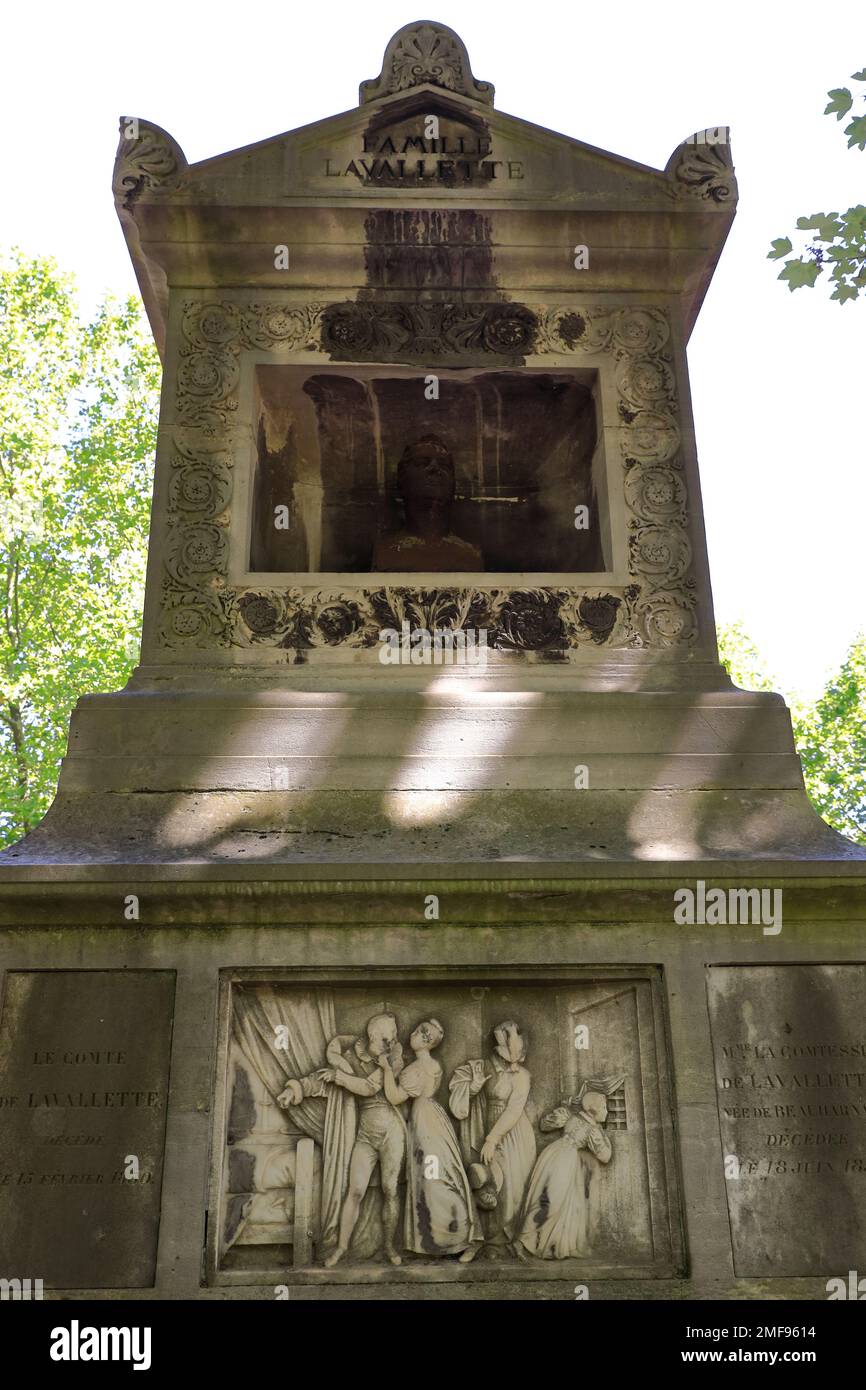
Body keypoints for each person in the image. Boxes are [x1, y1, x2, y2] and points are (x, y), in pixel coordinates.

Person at [279, 1011, 407, 1267]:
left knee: (390, 1189)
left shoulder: (394, 1058)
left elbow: (370, 1087)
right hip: (365, 1133)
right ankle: (341, 1247)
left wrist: (339, 1076)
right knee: (355, 1190)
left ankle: (390, 1246)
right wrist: (294, 1090)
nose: (392, 1040)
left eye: (394, 1035)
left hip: (392, 1131)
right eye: (388, 1035)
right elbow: (321, 1078)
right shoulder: (349, 1059)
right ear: (372, 1035)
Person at [380, 1018, 483, 1260]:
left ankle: (461, 1237)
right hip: (434, 1118)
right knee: (441, 1176)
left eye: (418, 1032)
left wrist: (385, 1070)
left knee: (433, 1179)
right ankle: (443, 1239)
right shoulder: (433, 1065)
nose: (412, 1033)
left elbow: (395, 1097)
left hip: (425, 1123)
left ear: (425, 1040)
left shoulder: (414, 1070)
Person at [448, 1020, 536, 1249]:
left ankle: (509, 1240)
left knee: (512, 1187)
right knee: (491, 1183)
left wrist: (492, 1139)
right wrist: (473, 1087)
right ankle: (490, 1239)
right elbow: (463, 1087)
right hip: (489, 1126)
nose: (508, 1062)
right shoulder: (484, 1068)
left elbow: (514, 1110)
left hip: (514, 1133)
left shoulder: (523, 1076)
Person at [516, 1091, 613, 1260]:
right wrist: (602, 1134)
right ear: (592, 1110)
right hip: (564, 1161)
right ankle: (524, 1239)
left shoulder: (571, 1117)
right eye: (604, 1107)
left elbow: (544, 1125)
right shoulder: (592, 1131)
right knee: (550, 1200)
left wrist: (565, 1110)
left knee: (563, 1202)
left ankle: (556, 1244)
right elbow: (605, 1156)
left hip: (553, 1153)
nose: (607, 1111)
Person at [372, 435, 483, 572]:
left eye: (444, 465)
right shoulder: (385, 552)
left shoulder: (469, 555)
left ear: (454, 482)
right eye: (421, 463)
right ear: (402, 477)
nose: (435, 469)